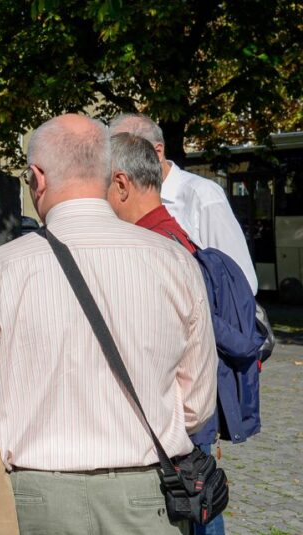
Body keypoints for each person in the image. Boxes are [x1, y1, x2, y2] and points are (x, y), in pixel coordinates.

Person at [0, 114, 218, 534]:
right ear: (108, 175)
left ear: (38, 178)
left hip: (35, 498)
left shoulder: (0, 271)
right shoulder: (174, 263)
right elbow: (196, 405)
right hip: (146, 494)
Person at [107, 131, 259, 535]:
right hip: (185, 414)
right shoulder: (170, 235)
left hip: (174, 416)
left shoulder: (155, 246)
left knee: (193, 510)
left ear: (121, 184)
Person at [109, 113, 258, 294]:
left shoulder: (202, 195)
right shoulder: (118, 196)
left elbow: (242, 281)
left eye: (123, 150)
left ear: (157, 152)